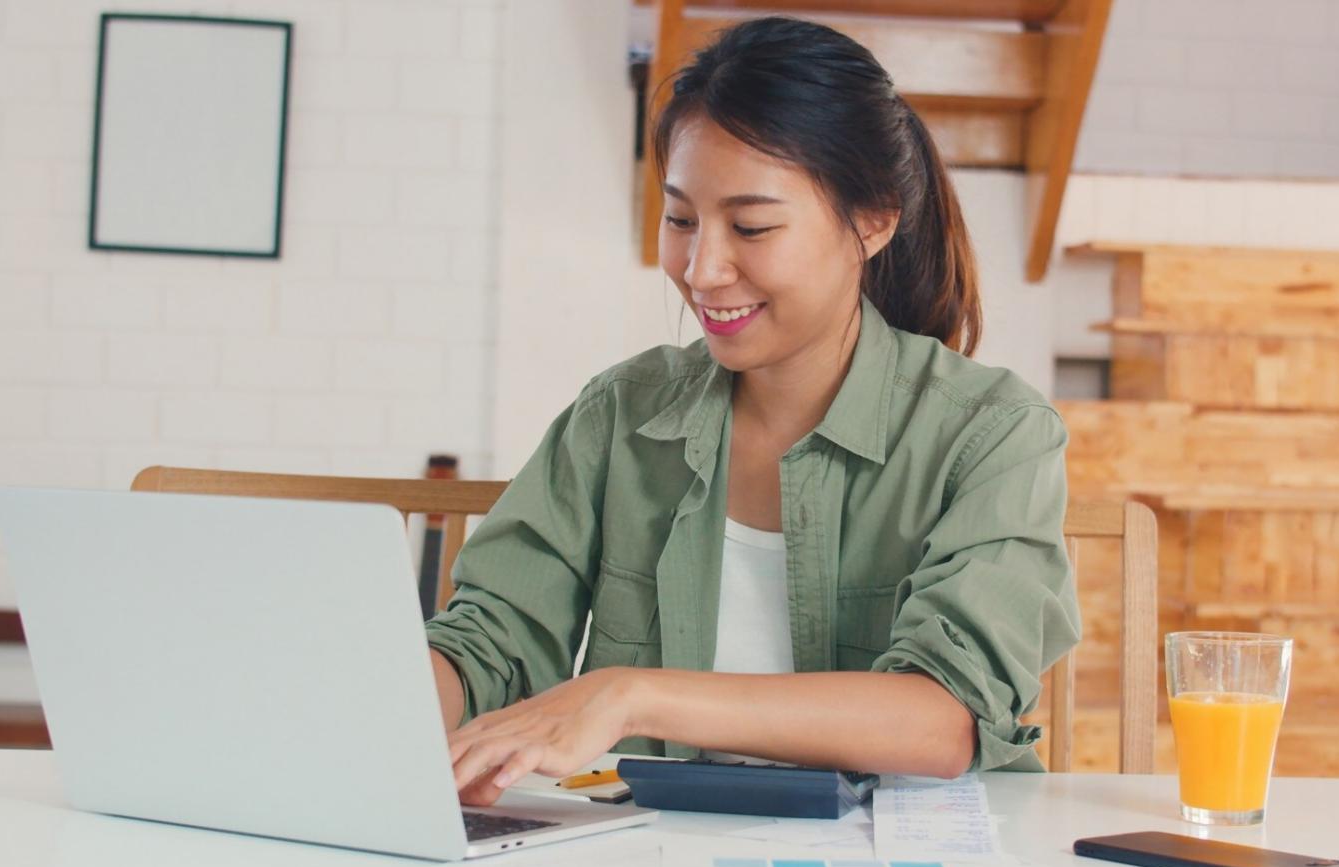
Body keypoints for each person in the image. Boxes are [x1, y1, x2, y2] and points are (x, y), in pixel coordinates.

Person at [425, 16, 1080, 806]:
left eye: (752, 226)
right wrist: (377, 710)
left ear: (872, 221)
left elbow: (944, 719)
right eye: (680, 220)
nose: (702, 269)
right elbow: (490, 641)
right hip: (656, 861)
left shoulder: (992, 431)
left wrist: (630, 694)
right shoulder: (619, 416)